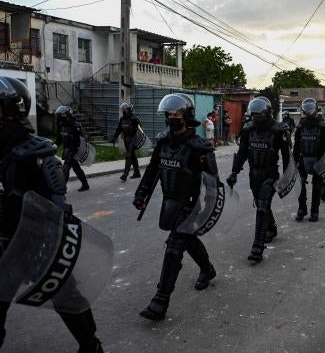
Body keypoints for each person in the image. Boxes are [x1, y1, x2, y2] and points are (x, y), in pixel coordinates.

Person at [0, 76, 103, 352]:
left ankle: (91, 346)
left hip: (36, 244)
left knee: (66, 295)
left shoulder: (39, 155)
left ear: (10, 112)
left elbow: (58, 208)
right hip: (4, 245)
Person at [133, 93, 218, 320]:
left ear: (187, 117)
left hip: (190, 206)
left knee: (174, 248)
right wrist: (141, 193)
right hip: (169, 203)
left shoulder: (199, 148)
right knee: (188, 241)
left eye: (177, 114)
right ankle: (208, 269)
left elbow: (213, 183)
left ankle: (160, 301)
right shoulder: (163, 143)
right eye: (169, 114)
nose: (172, 118)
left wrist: (210, 210)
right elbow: (152, 172)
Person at [226, 97, 290, 262]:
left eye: (258, 115)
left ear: (267, 113)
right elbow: (242, 153)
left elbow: (286, 156)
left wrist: (287, 176)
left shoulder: (278, 130)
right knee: (261, 204)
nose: (256, 118)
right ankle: (271, 228)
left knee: (262, 206)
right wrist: (234, 172)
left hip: (270, 174)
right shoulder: (248, 130)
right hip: (254, 174)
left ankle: (257, 247)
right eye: (253, 115)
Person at [293, 98, 325, 222]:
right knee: (300, 184)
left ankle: (315, 211)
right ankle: (302, 209)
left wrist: (323, 162)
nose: (309, 112)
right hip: (303, 158)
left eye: (311, 109)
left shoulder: (323, 126)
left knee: (316, 186)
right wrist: (294, 160)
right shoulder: (300, 126)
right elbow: (297, 145)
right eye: (307, 109)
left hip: (318, 159)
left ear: (316, 109)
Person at [55, 106, 89, 192]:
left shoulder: (74, 125)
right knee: (76, 168)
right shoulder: (61, 125)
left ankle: (61, 189)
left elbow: (83, 137)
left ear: (66, 114)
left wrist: (80, 132)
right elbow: (60, 138)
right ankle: (85, 184)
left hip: (73, 149)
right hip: (66, 150)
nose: (59, 116)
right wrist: (55, 145)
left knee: (65, 168)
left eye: (61, 114)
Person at [111, 102, 141, 182]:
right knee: (132, 156)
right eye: (123, 109)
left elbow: (140, 129)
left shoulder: (134, 118)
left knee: (129, 155)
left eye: (125, 109)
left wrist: (138, 140)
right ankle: (137, 173)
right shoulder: (122, 119)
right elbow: (119, 129)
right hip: (126, 140)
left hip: (133, 139)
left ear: (129, 109)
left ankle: (125, 174)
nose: (124, 111)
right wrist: (114, 137)